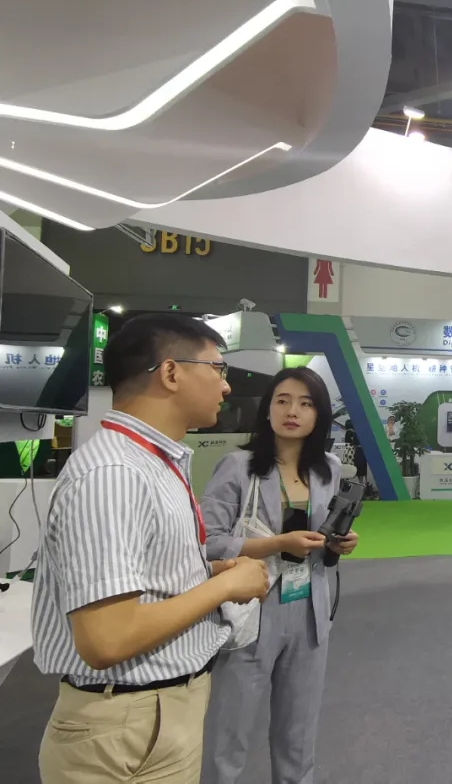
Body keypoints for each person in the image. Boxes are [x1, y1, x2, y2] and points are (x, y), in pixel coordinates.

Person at [31, 313, 271, 784]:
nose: (226, 386)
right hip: (125, 726)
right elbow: (107, 639)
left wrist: (207, 573)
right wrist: (224, 589)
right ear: (171, 372)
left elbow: (142, 581)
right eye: (217, 369)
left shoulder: (152, 462)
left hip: (155, 714)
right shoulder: (115, 474)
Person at [200, 367, 358, 784]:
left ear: (319, 415)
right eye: (283, 401)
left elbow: (320, 537)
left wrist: (339, 543)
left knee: (298, 734)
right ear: (267, 409)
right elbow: (208, 543)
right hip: (252, 608)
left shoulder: (328, 468)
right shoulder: (238, 466)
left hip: (309, 610)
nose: (293, 411)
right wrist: (276, 543)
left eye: (306, 404)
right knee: (229, 733)